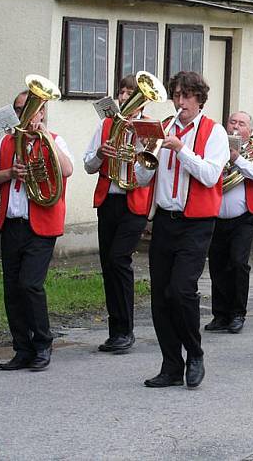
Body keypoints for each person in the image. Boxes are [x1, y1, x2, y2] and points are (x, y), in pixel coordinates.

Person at [134, 71, 229, 389]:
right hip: (165, 220)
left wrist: (180, 149)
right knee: (160, 296)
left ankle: (195, 353)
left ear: (199, 98)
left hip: (196, 223)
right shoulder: (164, 130)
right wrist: (146, 152)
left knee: (181, 290)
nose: (180, 102)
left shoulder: (213, 132)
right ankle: (171, 365)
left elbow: (210, 175)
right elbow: (143, 179)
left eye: (187, 96)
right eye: (176, 95)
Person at [0, 90, 74, 371]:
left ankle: (43, 344)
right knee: (12, 290)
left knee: (30, 284)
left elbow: (67, 170)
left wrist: (46, 140)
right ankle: (22, 349)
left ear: (42, 113)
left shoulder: (54, 140)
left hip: (41, 225)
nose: (25, 115)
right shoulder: (4, 142)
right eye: (20, 110)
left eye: (31, 109)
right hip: (12, 223)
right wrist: (10, 174)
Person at [83, 74, 150, 354]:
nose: (124, 97)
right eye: (122, 92)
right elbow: (88, 165)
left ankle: (127, 330)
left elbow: (148, 171)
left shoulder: (148, 128)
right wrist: (100, 153)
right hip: (108, 200)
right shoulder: (106, 124)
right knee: (108, 265)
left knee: (118, 259)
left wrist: (137, 146)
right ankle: (116, 331)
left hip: (134, 203)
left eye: (131, 93)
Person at [203, 111, 253, 335]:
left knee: (238, 264)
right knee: (217, 264)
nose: (236, 127)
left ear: (250, 130)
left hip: (243, 218)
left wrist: (237, 158)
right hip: (216, 215)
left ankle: (238, 314)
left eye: (241, 124)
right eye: (232, 122)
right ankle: (220, 315)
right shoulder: (216, 145)